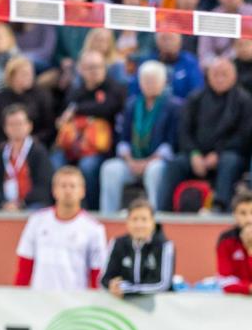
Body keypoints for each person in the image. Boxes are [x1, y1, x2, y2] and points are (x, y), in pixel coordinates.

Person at [161, 58, 252, 212]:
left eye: (224, 74)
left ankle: (220, 207)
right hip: (196, 155)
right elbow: (184, 131)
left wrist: (217, 154)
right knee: (175, 164)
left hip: (228, 154)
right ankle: (164, 210)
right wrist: (195, 154)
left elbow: (243, 135)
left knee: (229, 161)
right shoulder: (195, 98)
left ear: (234, 76)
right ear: (208, 76)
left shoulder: (244, 101)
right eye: (216, 74)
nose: (220, 78)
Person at [100, 61, 181, 213]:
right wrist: (130, 161)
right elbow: (123, 139)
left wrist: (147, 162)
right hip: (132, 161)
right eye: (146, 80)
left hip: (158, 161)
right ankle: (109, 216)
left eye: (153, 80)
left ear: (163, 81)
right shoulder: (132, 105)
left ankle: (154, 216)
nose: (149, 84)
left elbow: (172, 143)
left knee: (155, 171)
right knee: (110, 169)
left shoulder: (174, 106)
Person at [53, 50, 127, 211]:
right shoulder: (76, 91)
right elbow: (63, 114)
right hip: (74, 145)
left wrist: (78, 109)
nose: (95, 71)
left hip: (102, 148)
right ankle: (60, 209)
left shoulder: (114, 88)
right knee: (56, 161)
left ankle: (91, 210)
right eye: (90, 68)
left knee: (88, 166)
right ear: (81, 70)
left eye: (98, 67)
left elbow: (107, 108)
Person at [14, 167, 107, 290]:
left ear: (82, 191)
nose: (68, 190)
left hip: (74, 303)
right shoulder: (36, 221)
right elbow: (25, 266)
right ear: (54, 190)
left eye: (73, 186)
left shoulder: (94, 229)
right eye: (63, 186)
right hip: (39, 300)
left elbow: (97, 273)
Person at [0, 104, 53, 210]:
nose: (16, 128)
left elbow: (43, 187)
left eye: (19, 123)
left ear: (29, 126)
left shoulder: (39, 152)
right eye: (11, 124)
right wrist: (3, 203)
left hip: (31, 204)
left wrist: (21, 204)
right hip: (4, 204)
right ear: (5, 128)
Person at [102, 198, 175, 297]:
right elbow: (105, 279)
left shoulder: (165, 246)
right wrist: (113, 286)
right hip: (123, 308)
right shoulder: (117, 243)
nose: (139, 225)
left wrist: (128, 289)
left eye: (144, 219)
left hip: (158, 309)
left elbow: (163, 284)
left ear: (153, 222)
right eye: (134, 219)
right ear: (127, 222)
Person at [0, 56, 56, 146]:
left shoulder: (42, 96)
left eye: (31, 73)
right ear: (12, 76)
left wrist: (29, 142)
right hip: (2, 147)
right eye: (24, 74)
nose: (30, 77)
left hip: (34, 146)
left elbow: (49, 128)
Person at [197, 0, 252, 69]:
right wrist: (220, 62)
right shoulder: (211, 18)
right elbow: (204, 56)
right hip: (221, 69)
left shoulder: (250, 14)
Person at [130, 31, 203, 100]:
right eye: (164, 39)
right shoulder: (148, 62)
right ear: (157, 41)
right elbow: (134, 92)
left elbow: (196, 91)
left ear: (180, 41)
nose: (168, 43)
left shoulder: (189, 62)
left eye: (171, 38)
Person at [12, 0, 58, 73]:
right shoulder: (13, 25)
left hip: (42, 66)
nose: (27, 2)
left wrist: (23, 57)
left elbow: (47, 51)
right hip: (19, 65)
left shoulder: (46, 23)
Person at [217, 191, 252, 294]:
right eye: (243, 213)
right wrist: (248, 289)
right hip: (235, 303)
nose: (249, 219)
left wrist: (250, 249)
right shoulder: (226, 240)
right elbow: (225, 281)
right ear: (235, 215)